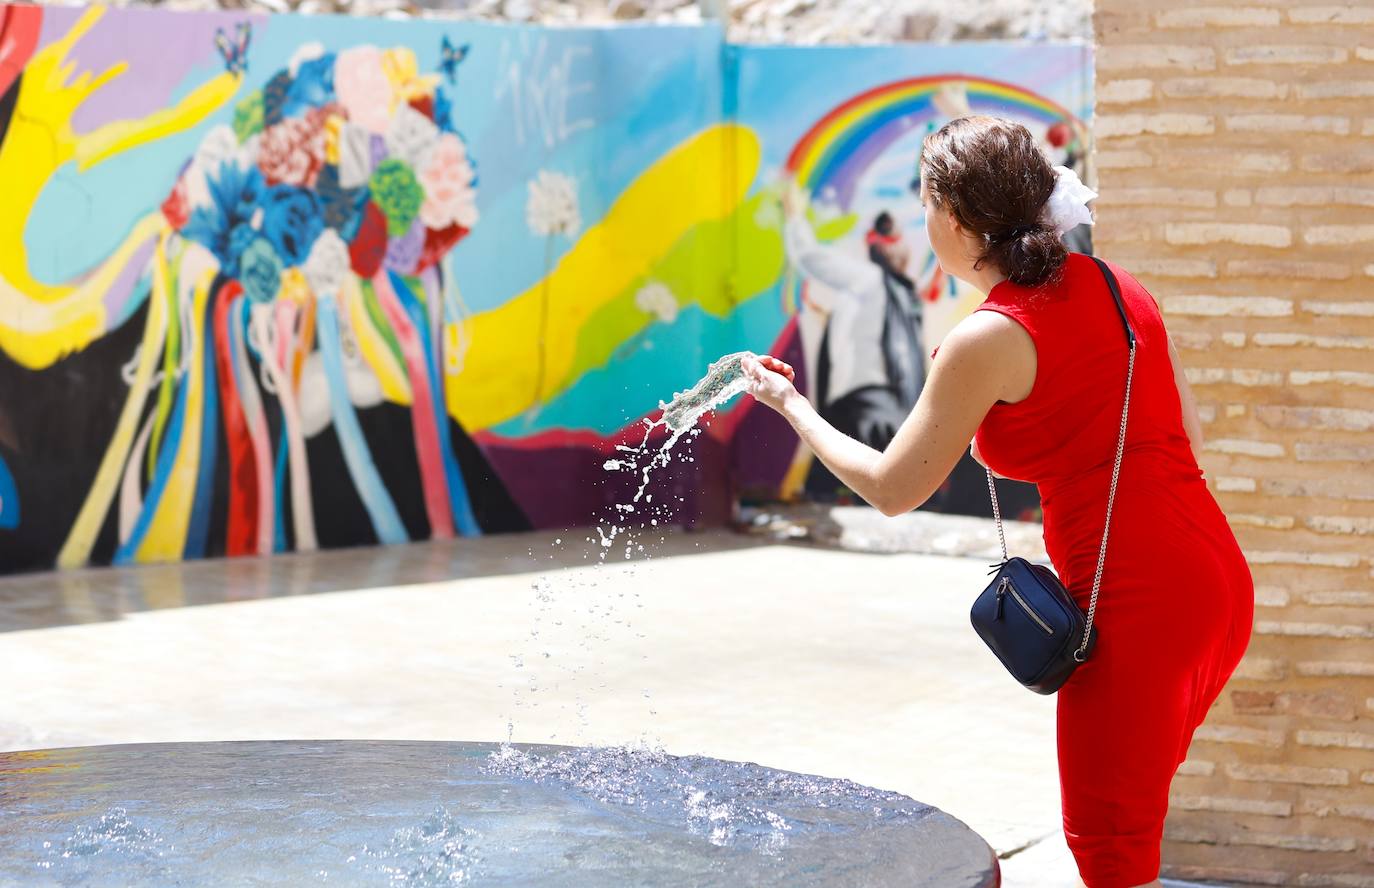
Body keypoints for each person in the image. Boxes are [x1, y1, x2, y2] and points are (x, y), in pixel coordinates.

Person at [744, 116, 1254, 888]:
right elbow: (1190, 433)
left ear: (951, 218)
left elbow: (892, 487)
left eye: (924, 205)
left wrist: (793, 407)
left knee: (1110, 847)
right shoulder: (1121, 288)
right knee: (1130, 826)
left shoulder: (988, 336)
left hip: (1136, 608)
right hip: (1216, 582)